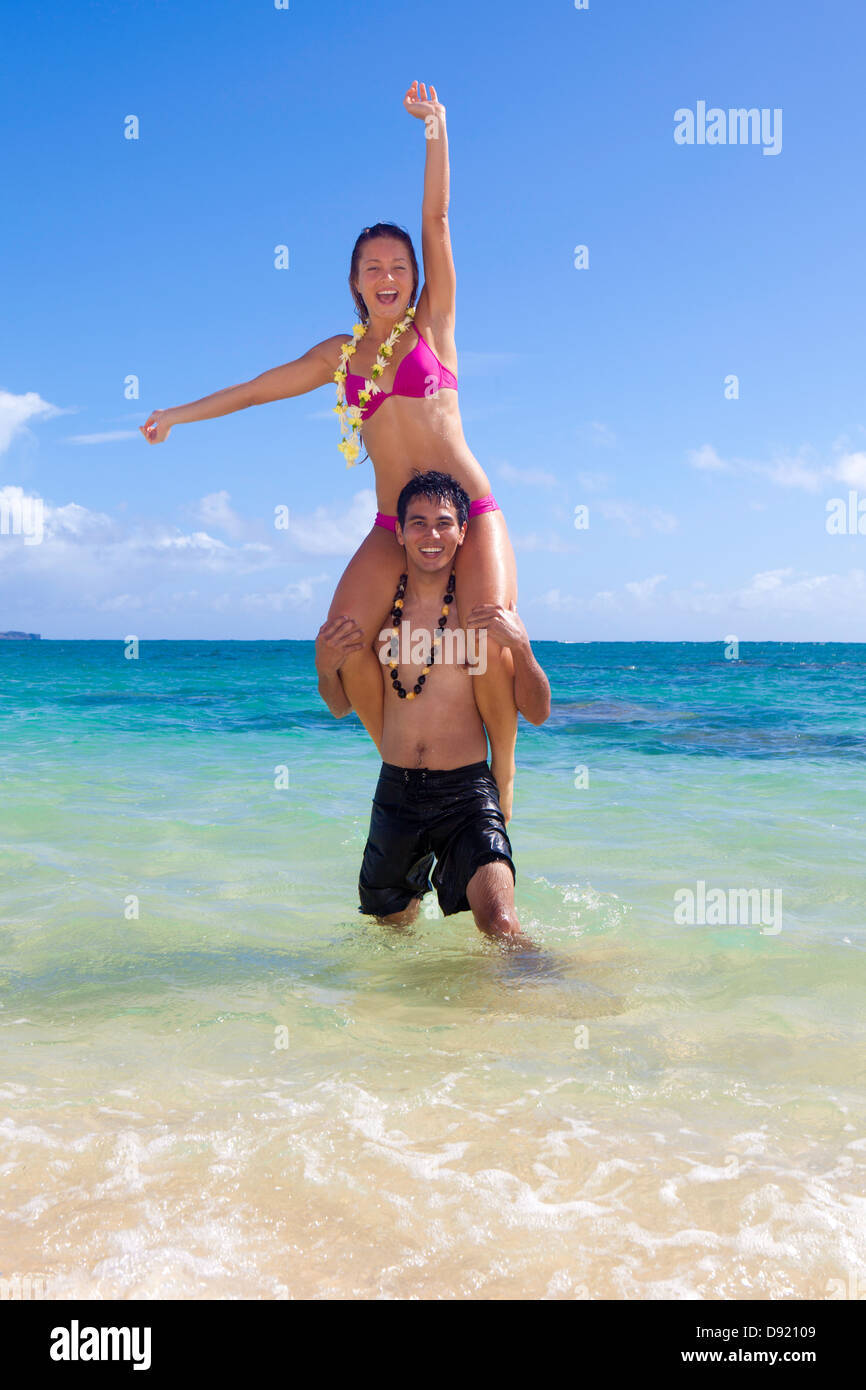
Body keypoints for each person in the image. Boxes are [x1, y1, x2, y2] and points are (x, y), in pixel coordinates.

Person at [139, 80, 546, 821]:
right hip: (396, 524)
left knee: (488, 636)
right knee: (343, 638)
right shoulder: (340, 353)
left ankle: (504, 777)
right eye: (373, 270)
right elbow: (259, 390)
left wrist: (436, 128)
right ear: (356, 286)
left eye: (398, 267)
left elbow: (438, 217)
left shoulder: (434, 329)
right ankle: (398, 755)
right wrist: (177, 415)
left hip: (470, 512)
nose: (388, 276)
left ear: (414, 279)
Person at [315, 472, 550, 944]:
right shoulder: (380, 621)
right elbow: (339, 706)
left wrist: (523, 649)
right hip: (396, 793)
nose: (431, 535)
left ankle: (543, 1001)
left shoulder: (479, 617)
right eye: (418, 523)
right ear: (398, 532)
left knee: (500, 924)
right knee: (390, 941)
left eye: (444, 523)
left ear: (463, 533)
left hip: (466, 794)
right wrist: (326, 668)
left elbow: (539, 710)